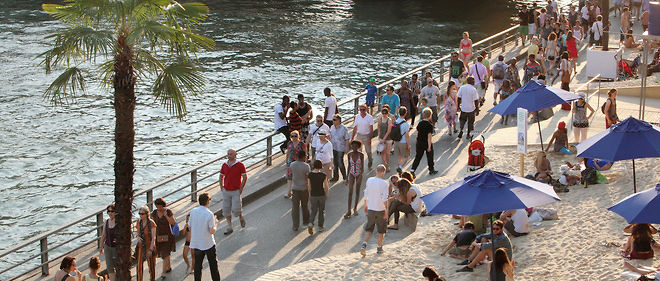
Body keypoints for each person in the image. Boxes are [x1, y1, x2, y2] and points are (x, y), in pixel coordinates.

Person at [189, 193, 221, 281]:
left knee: (197, 266)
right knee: (213, 265)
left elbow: (190, 226)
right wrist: (216, 223)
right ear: (207, 202)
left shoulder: (193, 211)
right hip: (208, 243)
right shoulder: (209, 214)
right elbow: (212, 231)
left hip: (196, 243)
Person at [360, 164, 389, 257]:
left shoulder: (369, 180)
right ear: (383, 172)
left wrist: (365, 205)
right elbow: (385, 199)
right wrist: (387, 211)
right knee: (381, 230)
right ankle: (379, 248)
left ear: (376, 171)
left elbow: (366, 193)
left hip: (371, 208)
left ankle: (364, 244)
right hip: (380, 209)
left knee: (369, 228)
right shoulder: (384, 184)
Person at [219, 149, 247, 235]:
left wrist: (241, 188)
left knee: (236, 208)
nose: (229, 155)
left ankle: (240, 217)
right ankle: (229, 226)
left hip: (235, 190)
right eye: (228, 154)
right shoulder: (224, 165)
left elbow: (244, 177)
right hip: (226, 190)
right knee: (226, 209)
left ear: (235, 155)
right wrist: (221, 187)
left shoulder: (240, 165)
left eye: (231, 154)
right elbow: (221, 176)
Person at [151, 198, 175, 277]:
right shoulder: (154, 213)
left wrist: (166, 216)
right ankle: (168, 267)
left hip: (167, 235)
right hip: (158, 236)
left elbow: (173, 222)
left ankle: (163, 272)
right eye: (157, 206)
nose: (159, 208)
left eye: (160, 206)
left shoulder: (168, 212)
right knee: (163, 253)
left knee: (165, 253)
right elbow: (152, 223)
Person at [411, 108, 437, 176]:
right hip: (426, 142)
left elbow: (417, 133)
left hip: (419, 142)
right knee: (430, 157)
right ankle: (431, 169)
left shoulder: (420, 123)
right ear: (430, 115)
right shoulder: (429, 125)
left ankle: (412, 170)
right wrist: (429, 146)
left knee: (418, 157)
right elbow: (429, 136)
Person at [385, 107, 411, 174]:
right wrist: (408, 145)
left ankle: (399, 167)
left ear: (399, 113)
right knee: (406, 157)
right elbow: (407, 136)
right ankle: (400, 167)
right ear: (405, 114)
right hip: (403, 142)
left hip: (396, 141)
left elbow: (391, 127)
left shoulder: (395, 122)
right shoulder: (406, 124)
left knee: (399, 156)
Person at [290, 149, 311, 232]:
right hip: (304, 188)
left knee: (295, 207)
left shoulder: (292, 165)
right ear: (303, 157)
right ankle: (306, 221)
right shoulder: (306, 166)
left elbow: (291, 174)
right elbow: (307, 178)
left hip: (295, 188)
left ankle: (295, 225)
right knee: (305, 206)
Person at [135, 206, 156, 281]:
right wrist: (138, 237)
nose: (141, 215)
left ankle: (152, 279)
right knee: (139, 266)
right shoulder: (139, 222)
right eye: (139, 213)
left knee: (151, 266)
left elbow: (153, 237)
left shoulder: (151, 223)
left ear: (147, 214)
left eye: (142, 214)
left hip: (149, 246)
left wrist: (151, 249)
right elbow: (137, 233)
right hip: (141, 246)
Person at [309, 160, 329, 233]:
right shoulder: (323, 175)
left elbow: (309, 186)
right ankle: (320, 226)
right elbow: (326, 186)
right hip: (321, 195)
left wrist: (309, 195)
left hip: (313, 195)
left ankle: (311, 223)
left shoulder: (310, 175)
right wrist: (326, 194)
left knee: (313, 210)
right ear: (321, 166)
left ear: (314, 165)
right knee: (321, 211)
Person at [345, 140, 365, 218]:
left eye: (356, 146)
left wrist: (361, 175)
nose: (354, 148)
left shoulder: (361, 155)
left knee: (357, 191)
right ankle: (349, 210)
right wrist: (347, 177)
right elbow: (349, 166)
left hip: (359, 173)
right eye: (353, 146)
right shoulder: (349, 154)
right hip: (351, 174)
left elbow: (362, 167)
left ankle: (355, 208)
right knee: (350, 192)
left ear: (358, 147)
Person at [352, 104, 374, 169]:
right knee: (358, 151)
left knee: (368, 151)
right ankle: (360, 165)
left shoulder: (369, 117)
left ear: (366, 109)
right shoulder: (357, 117)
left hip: (366, 135)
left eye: (363, 109)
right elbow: (355, 127)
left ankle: (370, 161)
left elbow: (371, 129)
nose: (362, 111)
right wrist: (352, 137)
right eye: (360, 110)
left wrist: (370, 138)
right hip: (359, 135)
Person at [285, 130, 306, 198]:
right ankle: (289, 192)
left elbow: (305, 153)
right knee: (289, 177)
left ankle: (298, 191)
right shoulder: (290, 143)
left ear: (298, 136)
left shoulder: (302, 144)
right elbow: (288, 152)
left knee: (298, 177)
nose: (294, 137)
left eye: (295, 136)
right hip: (290, 162)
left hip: (299, 161)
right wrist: (286, 161)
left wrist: (304, 162)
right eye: (292, 136)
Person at [99, 203, 117, 281]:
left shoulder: (118, 222)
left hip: (116, 247)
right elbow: (103, 235)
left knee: (117, 265)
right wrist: (101, 247)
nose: (110, 213)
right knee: (109, 266)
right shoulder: (106, 222)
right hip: (108, 246)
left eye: (112, 211)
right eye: (108, 211)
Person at [330, 114, 350, 182]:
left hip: (341, 148)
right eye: (333, 119)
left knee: (340, 162)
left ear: (339, 120)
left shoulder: (344, 128)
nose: (333, 121)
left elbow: (347, 139)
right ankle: (335, 177)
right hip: (333, 148)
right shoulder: (332, 127)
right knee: (334, 163)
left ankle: (345, 176)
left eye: (334, 120)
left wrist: (347, 148)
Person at [377, 106, 393, 172]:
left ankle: (387, 164)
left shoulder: (389, 120)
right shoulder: (380, 119)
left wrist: (384, 139)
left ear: (387, 113)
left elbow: (389, 131)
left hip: (388, 138)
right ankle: (384, 164)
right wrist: (379, 136)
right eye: (383, 113)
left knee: (387, 152)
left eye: (385, 113)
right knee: (382, 152)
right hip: (381, 137)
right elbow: (378, 127)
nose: (384, 114)